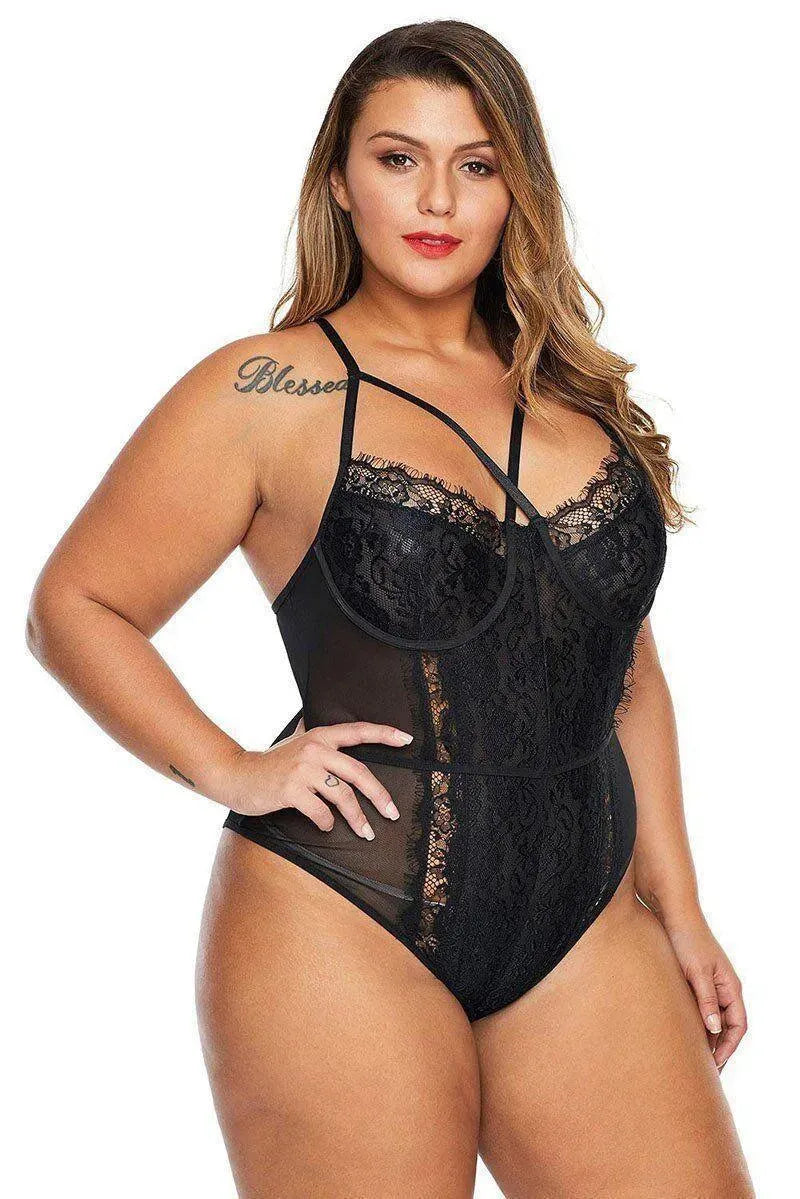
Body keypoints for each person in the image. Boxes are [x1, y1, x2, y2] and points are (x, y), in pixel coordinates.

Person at [25, 19, 755, 1199]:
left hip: (582, 914)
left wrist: (680, 904)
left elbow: (624, 670)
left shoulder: (572, 400)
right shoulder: (268, 388)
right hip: (339, 911)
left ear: (517, 189)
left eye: (476, 164)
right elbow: (76, 604)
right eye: (397, 157)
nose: (437, 199)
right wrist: (227, 765)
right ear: (339, 179)